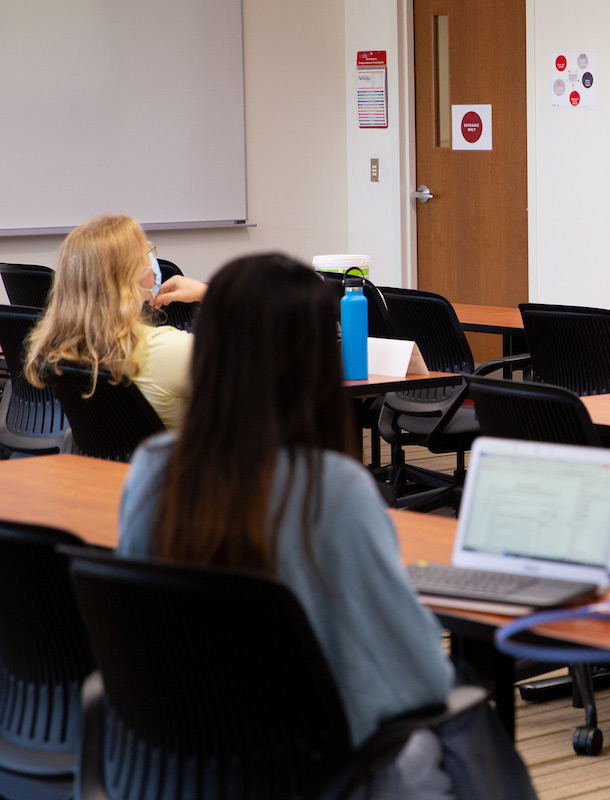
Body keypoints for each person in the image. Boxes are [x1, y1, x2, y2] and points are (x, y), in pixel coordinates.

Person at [117, 253, 536, 799]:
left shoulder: (151, 469)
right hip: (323, 772)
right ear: (315, 360)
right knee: (461, 703)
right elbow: (419, 680)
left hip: (177, 766)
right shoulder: (332, 489)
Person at [23, 214, 207, 428]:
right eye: (146, 252)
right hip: (178, 461)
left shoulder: (59, 348)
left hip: (104, 463)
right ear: (130, 274)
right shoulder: (169, 349)